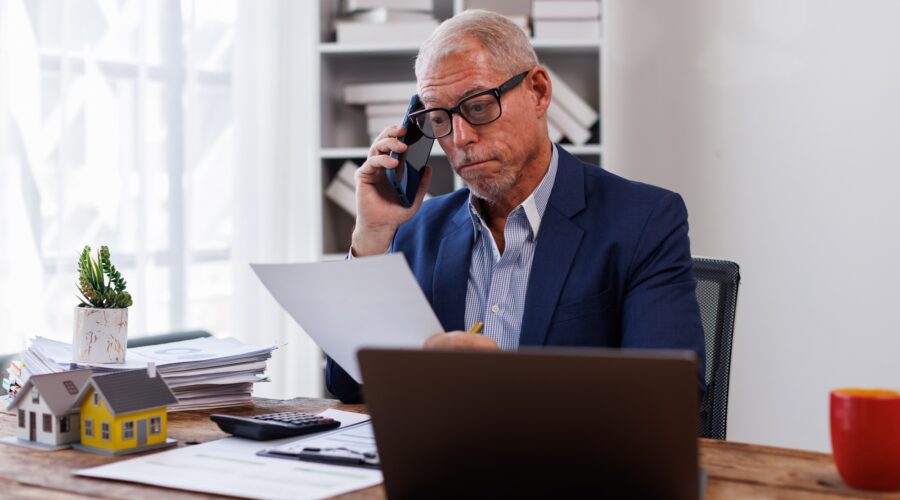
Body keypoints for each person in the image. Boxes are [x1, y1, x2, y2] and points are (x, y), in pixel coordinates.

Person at [326, 10, 705, 403]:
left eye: (478, 106)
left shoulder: (643, 221)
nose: (461, 138)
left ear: (538, 91)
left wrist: (513, 384)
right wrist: (371, 237)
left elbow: (671, 398)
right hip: (443, 457)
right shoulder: (418, 230)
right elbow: (348, 385)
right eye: (439, 118)